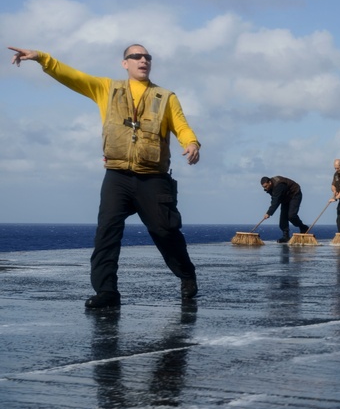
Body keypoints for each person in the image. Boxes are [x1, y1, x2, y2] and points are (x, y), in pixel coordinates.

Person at [8, 44, 201, 309]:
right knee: (106, 234)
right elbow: (73, 77)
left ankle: (187, 275)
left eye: (147, 57)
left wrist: (191, 143)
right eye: (136, 56)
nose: (143, 60)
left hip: (152, 177)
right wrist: (42, 58)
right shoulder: (106, 88)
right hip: (117, 175)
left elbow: (181, 125)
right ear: (125, 63)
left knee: (165, 231)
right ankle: (107, 292)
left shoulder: (165, 96)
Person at [261, 176, 309, 242]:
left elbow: (276, 201)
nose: (265, 188)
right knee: (283, 219)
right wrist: (270, 211)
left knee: (291, 216)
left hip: (294, 194)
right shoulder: (270, 187)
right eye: (264, 187)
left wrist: (269, 213)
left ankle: (303, 227)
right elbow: (274, 199)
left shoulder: (279, 185)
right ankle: (285, 236)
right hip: (284, 198)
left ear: (270, 182)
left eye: (266, 186)